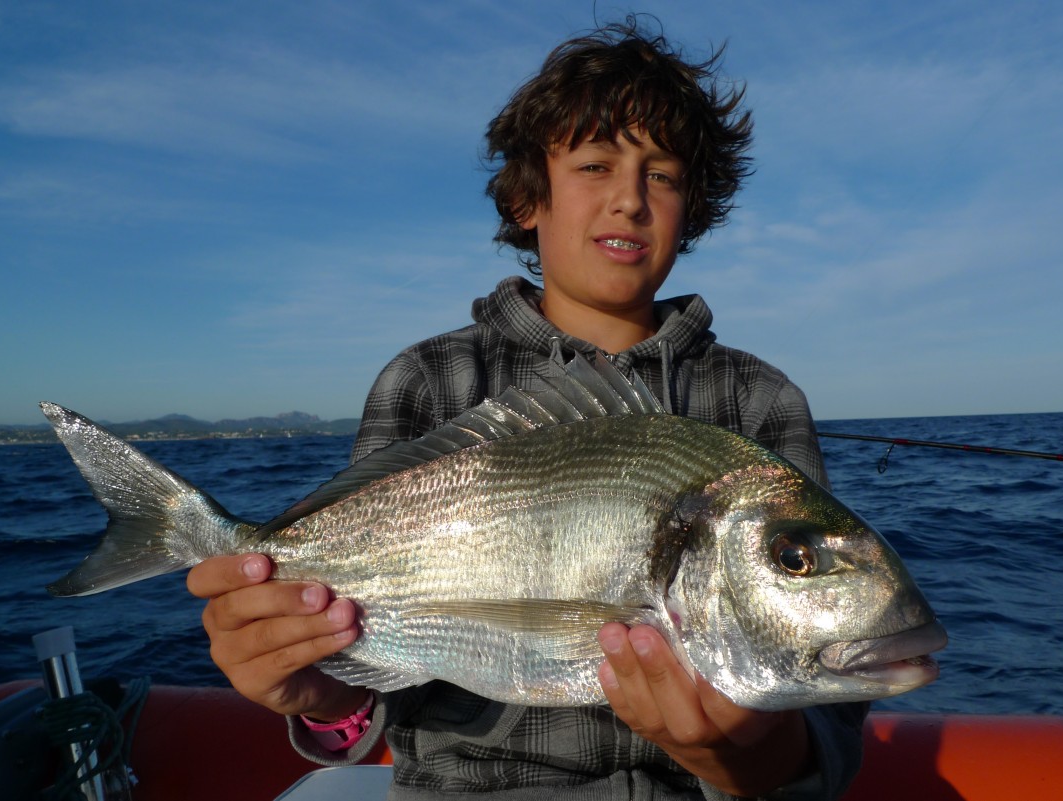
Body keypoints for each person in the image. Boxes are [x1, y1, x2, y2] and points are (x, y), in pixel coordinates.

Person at [187, 19, 866, 800]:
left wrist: (738, 755)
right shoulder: (427, 379)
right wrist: (318, 695)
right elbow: (371, 692)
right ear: (525, 197)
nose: (630, 199)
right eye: (594, 164)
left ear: (693, 207)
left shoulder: (758, 398)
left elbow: (826, 727)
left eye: (664, 175)